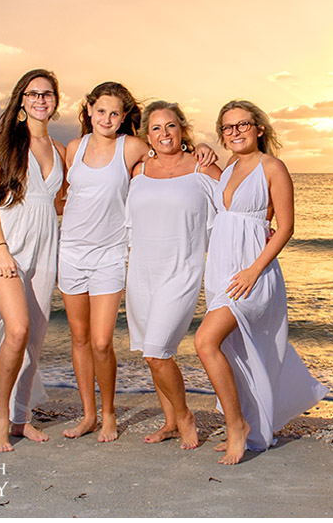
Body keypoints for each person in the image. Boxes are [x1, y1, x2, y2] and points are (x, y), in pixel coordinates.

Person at [59, 82, 217, 442]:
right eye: (101, 111)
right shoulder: (73, 148)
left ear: (125, 117)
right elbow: (69, 196)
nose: (107, 118)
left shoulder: (132, 148)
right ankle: (88, 415)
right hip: (71, 251)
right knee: (80, 339)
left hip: (111, 254)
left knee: (102, 342)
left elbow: (169, 151)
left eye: (115, 113)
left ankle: (111, 414)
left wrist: (202, 148)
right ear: (88, 110)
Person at [194, 100, 328, 465]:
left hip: (253, 273)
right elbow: (192, 158)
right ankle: (249, 425)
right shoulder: (229, 168)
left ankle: (236, 426)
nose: (235, 132)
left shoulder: (273, 167)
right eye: (227, 127)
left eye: (242, 125)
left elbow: (285, 227)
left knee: (205, 342)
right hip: (222, 269)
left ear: (259, 128)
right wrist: (201, 149)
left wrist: (254, 270)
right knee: (234, 350)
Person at [0, 69, 66, 452]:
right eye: (33, 93)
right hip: (5, 250)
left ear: (56, 101)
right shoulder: (4, 143)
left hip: (44, 252)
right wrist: (1, 248)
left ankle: (22, 419)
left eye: (48, 93)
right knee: (17, 329)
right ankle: (0, 417)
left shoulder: (61, 150)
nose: (41, 99)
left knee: (34, 340)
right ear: (21, 100)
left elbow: (58, 203)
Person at [125, 101, 222, 450]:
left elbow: (237, 202)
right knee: (153, 351)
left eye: (170, 126)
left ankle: (184, 417)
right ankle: (169, 422)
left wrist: (266, 226)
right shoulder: (137, 170)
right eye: (155, 128)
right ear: (146, 135)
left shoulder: (202, 168)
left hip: (182, 270)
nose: (163, 134)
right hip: (141, 273)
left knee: (156, 351)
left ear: (182, 130)